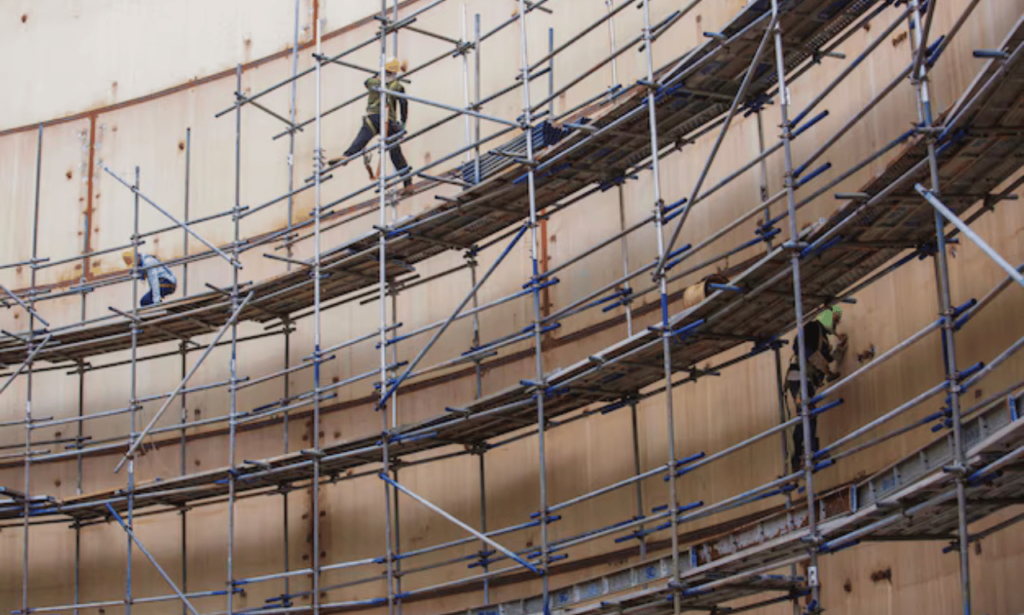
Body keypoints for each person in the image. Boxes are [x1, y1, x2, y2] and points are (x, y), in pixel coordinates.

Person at [330, 57, 413, 191]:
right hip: (389, 121)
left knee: (361, 139)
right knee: (396, 154)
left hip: (373, 118)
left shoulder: (372, 82)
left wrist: (378, 73)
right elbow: (404, 106)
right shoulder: (398, 87)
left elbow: (366, 81)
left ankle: (347, 155)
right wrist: (403, 125)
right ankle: (408, 183)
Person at [785, 305, 847, 472]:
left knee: (806, 416)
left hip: (808, 381)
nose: (835, 325)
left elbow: (828, 359)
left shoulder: (823, 339)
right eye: (834, 320)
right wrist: (825, 368)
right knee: (808, 414)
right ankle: (808, 454)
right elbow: (802, 348)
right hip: (799, 378)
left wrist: (840, 347)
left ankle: (801, 457)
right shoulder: (812, 328)